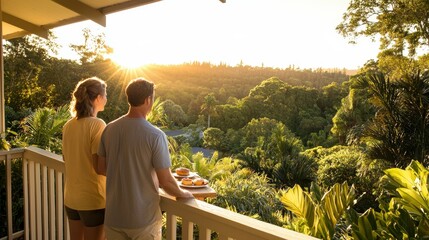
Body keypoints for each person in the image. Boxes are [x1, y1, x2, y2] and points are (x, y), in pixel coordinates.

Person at [97, 78, 194, 240]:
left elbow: (101, 168)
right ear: (148, 100)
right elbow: (166, 181)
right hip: (143, 221)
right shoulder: (155, 135)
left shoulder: (109, 129)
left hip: (114, 217)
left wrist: (127, 173)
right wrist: (184, 193)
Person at [62, 77, 108, 240]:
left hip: (71, 198)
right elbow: (100, 167)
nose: (106, 98)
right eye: (105, 95)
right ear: (97, 98)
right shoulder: (97, 124)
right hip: (92, 200)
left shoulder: (68, 125)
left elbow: (66, 158)